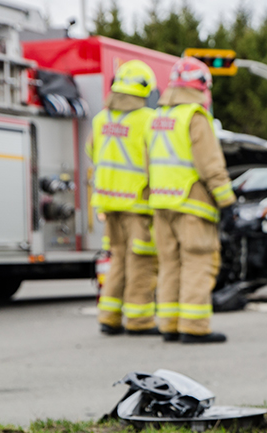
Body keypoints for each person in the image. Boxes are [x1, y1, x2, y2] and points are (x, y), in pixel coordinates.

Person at [148, 57, 236, 344]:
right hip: (192, 204)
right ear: (202, 85)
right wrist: (227, 203)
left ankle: (169, 324)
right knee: (199, 262)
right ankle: (194, 326)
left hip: (162, 205)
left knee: (170, 265)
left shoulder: (158, 117)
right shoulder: (194, 117)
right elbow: (210, 165)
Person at [88, 60, 159, 336]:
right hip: (137, 204)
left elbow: (92, 152)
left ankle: (109, 317)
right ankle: (140, 321)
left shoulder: (100, 119)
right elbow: (155, 162)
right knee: (141, 262)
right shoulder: (147, 121)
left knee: (117, 260)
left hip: (108, 202)